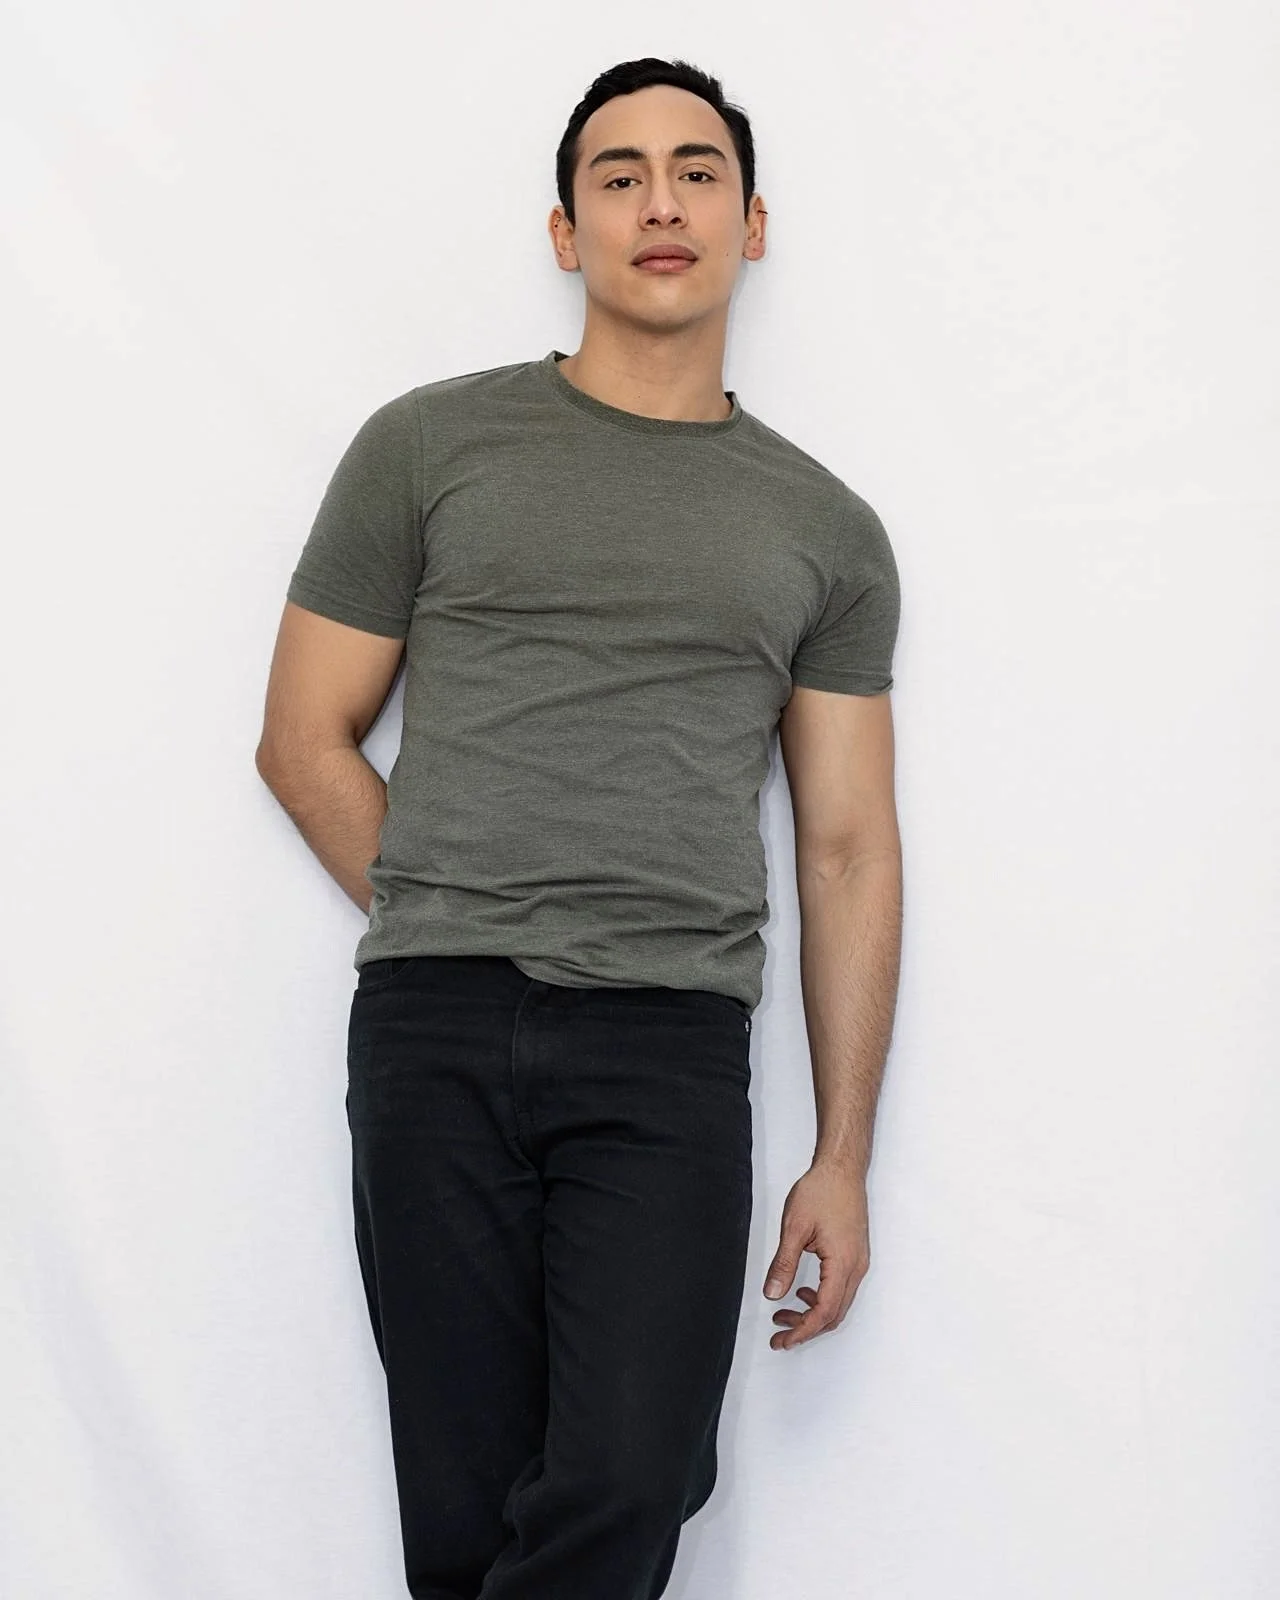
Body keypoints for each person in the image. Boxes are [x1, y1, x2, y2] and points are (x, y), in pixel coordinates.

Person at [255, 54, 903, 1600]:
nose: (660, 203)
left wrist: (843, 1159)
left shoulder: (827, 530)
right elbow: (301, 738)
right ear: (567, 231)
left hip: (668, 1045)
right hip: (436, 1030)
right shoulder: (428, 448)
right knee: (468, 1518)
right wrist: (452, 907)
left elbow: (847, 848)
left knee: (626, 1476)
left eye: (696, 172)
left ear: (752, 223)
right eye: (620, 177)